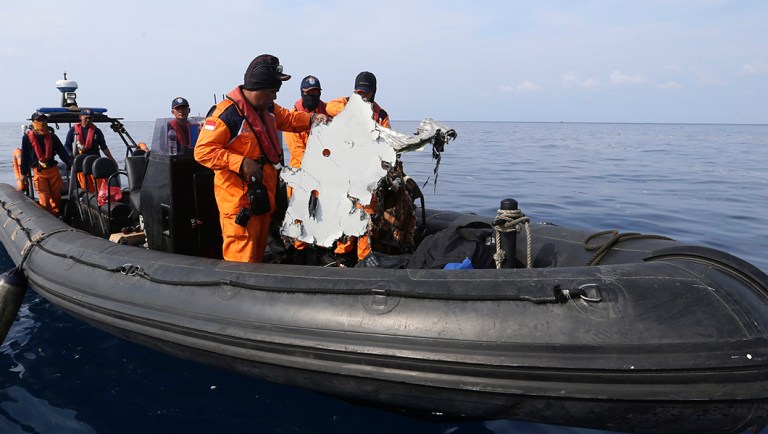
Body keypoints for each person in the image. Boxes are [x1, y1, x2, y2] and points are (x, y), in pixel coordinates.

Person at [194, 54, 328, 263]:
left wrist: (311, 118)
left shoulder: (269, 110)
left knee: (257, 254)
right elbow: (202, 151)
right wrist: (240, 162)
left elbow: (291, 119)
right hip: (239, 204)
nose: (275, 98)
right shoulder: (227, 115)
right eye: (273, 92)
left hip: (263, 199)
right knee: (242, 259)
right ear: (261, 88)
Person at [325, 71, 390, 263]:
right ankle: (342, 257)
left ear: (373, 92)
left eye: (366, 93)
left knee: (366, 219)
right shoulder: (344, 104)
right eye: (359, 92)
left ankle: (363, 259)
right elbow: (330, 107)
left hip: (368, 177)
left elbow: (387, 142)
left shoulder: (382, 115)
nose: (362, 96)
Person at [284, 75, 328, 264]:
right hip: (300, 176)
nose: (312, 96)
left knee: (322, 217)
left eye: (316, 92)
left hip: (324, 176)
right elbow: (298, 150)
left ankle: (319, 254)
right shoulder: (293, 117)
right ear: (302, 93)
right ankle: (299, 258)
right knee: (300, 220)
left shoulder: (326, 112)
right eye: (309, 93)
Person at [20, 111, 71, 216]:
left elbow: (62, 153)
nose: (42, 122)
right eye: (39, 120)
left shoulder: (52, 137)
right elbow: (25, 156)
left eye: (44, 120)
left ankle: (57, 216)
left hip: (53, 170)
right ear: (33, 122)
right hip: (39, 172)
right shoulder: (26, 138)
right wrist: (23, 173)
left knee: (57, 197)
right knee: (44, 198)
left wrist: (71, 164)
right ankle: (47, 219)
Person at [64, 107, 114, 190]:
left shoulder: (97, 131)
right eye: (86, 118)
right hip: (81, 164)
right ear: (80, 117)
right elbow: (66, 145)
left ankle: (101, 199)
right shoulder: (73, 130)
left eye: (90, 118)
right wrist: (70, 155)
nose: (88, 120)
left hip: (95, 163)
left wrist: (111, 159)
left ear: (93, 118)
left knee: (100, 186)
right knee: (86, 188)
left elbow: (104, 147)